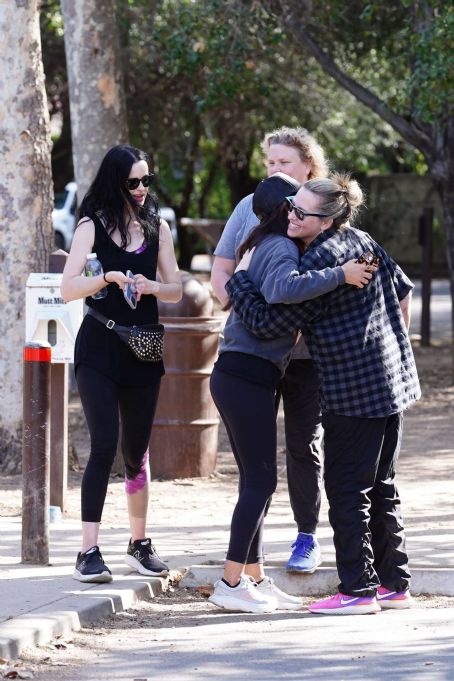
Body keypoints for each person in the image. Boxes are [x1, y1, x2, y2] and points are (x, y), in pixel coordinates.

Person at [226, 173, 421, 615]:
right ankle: (394, 583)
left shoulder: (319, 261)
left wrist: (239, 280)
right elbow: (404, 291)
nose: (291, 216)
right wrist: (391, 348)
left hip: (355, 389)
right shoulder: (363, 239)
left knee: (346, 487)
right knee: (382, 485)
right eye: (292, 206)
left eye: (301, 212)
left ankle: (356, 590)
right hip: (394, 382)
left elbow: (267, 324)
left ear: (327, 219)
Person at [208, 173, 372, 614]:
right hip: (244, 375)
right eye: (294, 206)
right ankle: (229, 581)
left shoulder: (271, 245)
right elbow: (281, 291)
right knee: (260, 482)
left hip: (244, 375)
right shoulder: (280, 246)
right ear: (282, 210)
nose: (298, 212)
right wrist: (340, 274)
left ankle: (255, 577)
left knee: (256, 481)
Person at [211, 126, 330, 574]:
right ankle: (241, 574)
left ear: (308, 167)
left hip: (299, 358)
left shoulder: (321, 208)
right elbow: (226, 268)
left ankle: (303, 538)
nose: (275, 171)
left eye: (283, 163)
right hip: (254, 355)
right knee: (257, 473)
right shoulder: (255, 211)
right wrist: (238, 297)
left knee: (302, 448)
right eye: (270, 164)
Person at [61, 144, 182, 583]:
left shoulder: (158, 228)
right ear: (117, 182)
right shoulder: (91, 226)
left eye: (147, 180)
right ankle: (88, 551)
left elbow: (176, 289)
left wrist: (150, 286)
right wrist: (107, 278)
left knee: (137, 451)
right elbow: (68, 288)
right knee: (103, 445)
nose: (142, 189)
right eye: (134, 181)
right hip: (99, 345)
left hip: (143, 347)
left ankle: (138, 543)